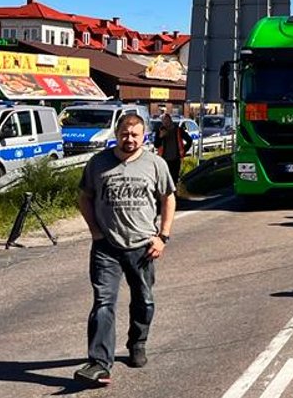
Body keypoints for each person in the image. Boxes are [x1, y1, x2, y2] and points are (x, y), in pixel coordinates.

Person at [73, 114, 176, 386]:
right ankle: (99, 363)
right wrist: (95, 232)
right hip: (106, 247)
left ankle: (137, 343)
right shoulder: (98, 164)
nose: (129, 139)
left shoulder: (155, 164)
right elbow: (84, 197)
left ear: (144, 136)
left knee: (144, 300)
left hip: (142, 246)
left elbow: (168, 198)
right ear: (117, 133)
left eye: (135, 135)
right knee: (103, 303)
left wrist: (162, 236)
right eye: (124, 134)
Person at [153, 114, 193, 186]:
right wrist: (160, 137)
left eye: (167, 121)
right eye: (164, 122)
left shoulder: (178, 130)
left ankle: (174, 194)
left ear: (170, 120)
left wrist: (184, 150)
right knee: (164, 179)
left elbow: (189, 140)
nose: (166, 124)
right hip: (164, 159)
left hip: (175, 159)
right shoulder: (160, 131)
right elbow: (156, 145)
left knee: (174, 180)